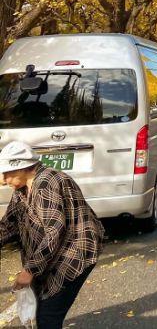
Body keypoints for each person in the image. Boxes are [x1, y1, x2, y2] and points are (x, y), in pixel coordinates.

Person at [0, 140, 104, 329]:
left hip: (74, 251)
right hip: (54, 254)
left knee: (48, 316)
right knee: (43, 311)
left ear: (22, 168)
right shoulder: (22, 189)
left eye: (6, 174)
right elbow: (9, 225)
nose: (3, 180)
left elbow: (54, 232)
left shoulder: (46, 183)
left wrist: (29, 270)